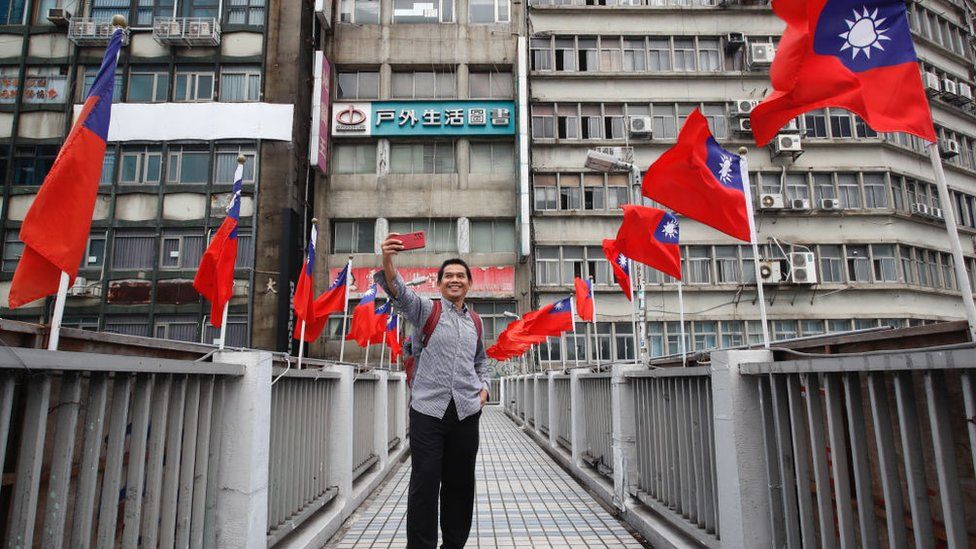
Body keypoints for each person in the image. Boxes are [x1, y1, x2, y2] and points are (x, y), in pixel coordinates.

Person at [375, 232, 489, 549]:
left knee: (460, 484)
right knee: (425, 482)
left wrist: (485, 392)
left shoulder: (476, 322)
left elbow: (482, 362)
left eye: (460, 276)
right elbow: (399, 291)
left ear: (468, 283)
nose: (454, 280)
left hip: (467, 412)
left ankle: (453, 545)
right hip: (428, 411)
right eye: (448, 276)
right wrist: (387, 258)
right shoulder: (427, 310)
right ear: (439, 284)